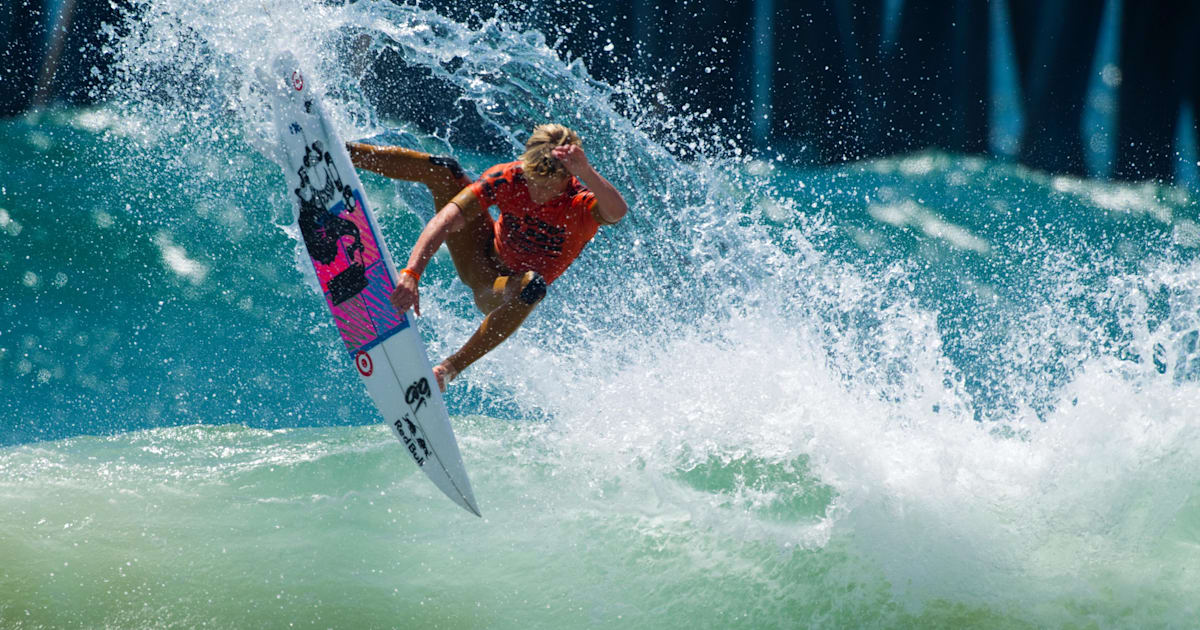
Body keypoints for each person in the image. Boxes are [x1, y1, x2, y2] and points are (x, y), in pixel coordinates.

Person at [346, 124, 629, 391]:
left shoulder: (579, 203)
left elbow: (617, 212)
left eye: (549, 187)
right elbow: (446, 220)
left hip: (500, 290)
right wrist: (411, 274)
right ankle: (345, 152)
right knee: (445, 170)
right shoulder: (510, 177)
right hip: (478, 255)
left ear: (568, 177)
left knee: (532, 285)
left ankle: (447, 370)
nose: (538, 193)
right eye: (534, 182)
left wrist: (586, 171)